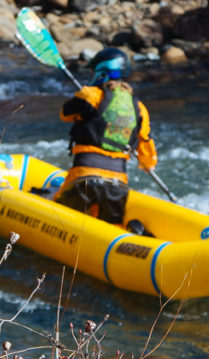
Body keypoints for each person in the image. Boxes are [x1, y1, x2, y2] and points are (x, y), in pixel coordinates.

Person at [54, 48, 157, 227]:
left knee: (59, 215)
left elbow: (65, 114)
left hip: (83, 177)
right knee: (111, 226)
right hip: (117, 185)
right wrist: (147, 164)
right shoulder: (140, 108)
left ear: (101, 72)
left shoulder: (89, 95)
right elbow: (146, 147)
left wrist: (84, 98)